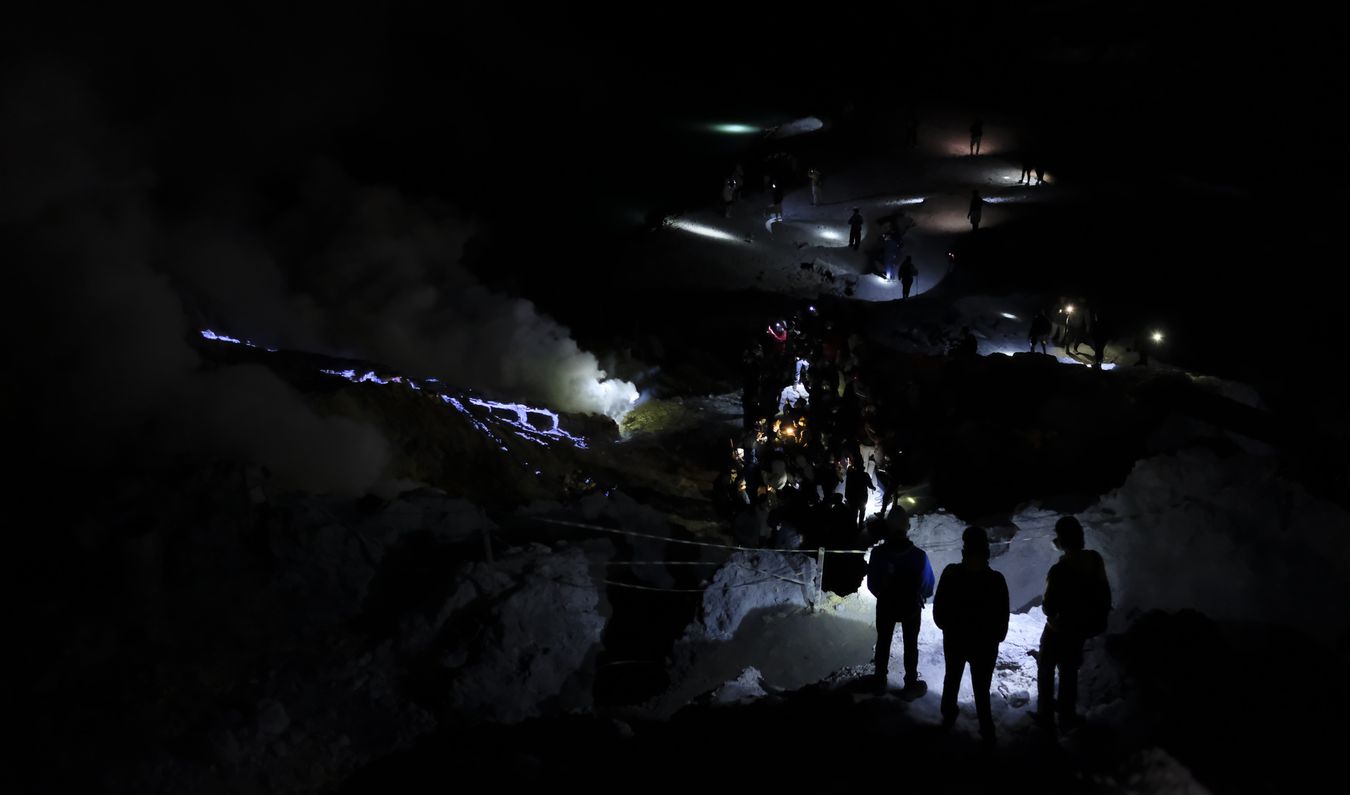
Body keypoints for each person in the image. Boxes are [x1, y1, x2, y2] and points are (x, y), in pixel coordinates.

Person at [934, 526, 1010, 744]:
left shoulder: (951, 573)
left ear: (964, 549)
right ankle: (987, 730)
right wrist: (996, 636)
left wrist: (949, 626)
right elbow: (1002, 617)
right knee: (981, 688)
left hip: (956, 641)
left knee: (952, 681)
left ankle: (947, 720)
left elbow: (939, 611)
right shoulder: (996, 580)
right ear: (986, 551)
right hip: (984, 646)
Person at [1036, 516, 1112, 731]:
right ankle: (1067, 717)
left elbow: (1048, 607)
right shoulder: (1095, 560)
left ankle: (1046, 716)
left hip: (1058, 630)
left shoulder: (1059, 570)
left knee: (1047, 669)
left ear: (1061, 539)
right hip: (1081, 629)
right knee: (1069, 672)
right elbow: (1104, 593)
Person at [866, 508, 936, 696]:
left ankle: (880, 680)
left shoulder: (878, 554)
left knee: (883, 641)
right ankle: (910, 683)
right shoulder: (919, 556)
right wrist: (919, 595)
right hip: (911, 607)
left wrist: (884, 595)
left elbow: (872, 583)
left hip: (886, 606)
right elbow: (928, 585)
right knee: (910, 644)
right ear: (907, 527)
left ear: (888, 527)